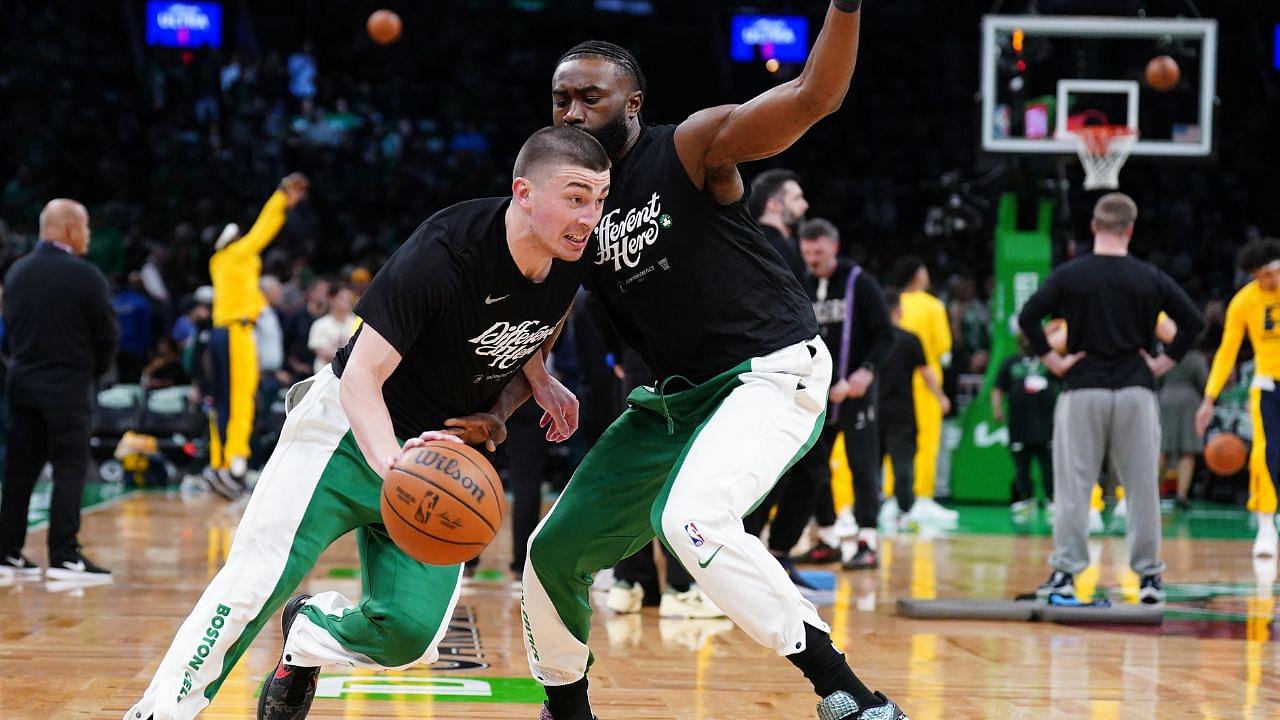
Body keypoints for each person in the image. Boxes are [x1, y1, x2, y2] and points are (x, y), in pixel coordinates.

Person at [122, 126, 611, 720]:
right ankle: (159, 711)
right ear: (524, 193)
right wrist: (396, 467)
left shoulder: (570, 258)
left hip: (443, 454)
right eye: (577, 197)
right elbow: (361, 378)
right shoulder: (445, 250)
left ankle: (307, 635)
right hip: (349, 433)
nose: (590, 216)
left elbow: (534, 321)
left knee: (410, 636)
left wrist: (537, 379)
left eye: (601, 200)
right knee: (255, 581)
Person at [520, 5, 909, 719]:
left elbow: (812, 97)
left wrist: (847, 7)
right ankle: (566, 710)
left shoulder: (691, 147)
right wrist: (529, 380)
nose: (572, 111)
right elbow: (542, 303)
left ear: (632, 103)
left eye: (590, 97)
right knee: (552, 551)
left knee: (692, 521)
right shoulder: (571, 204)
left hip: (771, 368)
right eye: (561, 98)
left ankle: (849, 695)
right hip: (677, 399)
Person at [1018, 193, 1204, 606]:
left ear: (1094, 228)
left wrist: (1054, 360)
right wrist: (1160, 364)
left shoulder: (1071, 275)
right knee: (1141, 488)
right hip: (1136, 391)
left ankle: (1066, 573)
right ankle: (1150, 579)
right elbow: (1193, 322)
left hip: (1083, 389)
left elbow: (1028, 317)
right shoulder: (1149, 276)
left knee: (1074, 488)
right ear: (1130, 229)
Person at [751, 218, 894, 573]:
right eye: (807, 251)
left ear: (834, 246)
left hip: (855, 390)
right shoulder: (803, 283)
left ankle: (867, 540)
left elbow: (885, 335)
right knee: (812, 468)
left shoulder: (860, 283)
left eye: (818, 251)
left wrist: (867, 371)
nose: (812, 257)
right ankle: (827, 536)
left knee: (862, 465)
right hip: (817, 394)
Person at [0, 199, 119, 580]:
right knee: (70, 469)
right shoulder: (85, 276)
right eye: (85, 228)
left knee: (19, 471)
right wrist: (92, 372)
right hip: (68, 386)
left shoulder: (15, 273)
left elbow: (10, 333)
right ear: (69, 228)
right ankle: (65, 555)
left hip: (21, 384)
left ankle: (8, 552)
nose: (88, 235)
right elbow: (107, 336)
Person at [206, 173, 309, 498]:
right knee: (240, 400)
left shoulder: (224, 263)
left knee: (225, 401)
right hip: (237, 332)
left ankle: (223, 464)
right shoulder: (235, 256)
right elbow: (262, 231)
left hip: (225, 331)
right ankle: (232, 466)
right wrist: (281, 198)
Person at [1196, 237, 1280, 557]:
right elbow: (1227, 351)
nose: (1269, 280)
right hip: (1267, 387)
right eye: (1261, 275)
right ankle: (1266, 526)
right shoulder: (1244, 302)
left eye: (1273, 273)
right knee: (1263, 454)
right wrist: (1209, 398)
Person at [861, 289, 950, 567]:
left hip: (873, 411)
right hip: (902, 413)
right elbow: (927, 373)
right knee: (902, 465)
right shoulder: (911, 339)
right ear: (899, 310)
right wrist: (941, 397)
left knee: (870, 465)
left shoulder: (871, 340)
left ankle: (866, 516)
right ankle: (903, 512)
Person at [890, 255, 957, 526]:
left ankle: (893, 499)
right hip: (927, 382)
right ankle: (924, 498)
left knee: (896, 445)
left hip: (896, 383)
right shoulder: (933, 306)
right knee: (927, 442)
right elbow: (942, 347)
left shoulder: (894, 302)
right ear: (918, 274)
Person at [992, 333, 1058, 520]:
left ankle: (1051, 498)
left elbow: (1062, 382)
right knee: (1021, 465)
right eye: (1025, 339)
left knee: (1048, 464)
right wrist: (997, 408)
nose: (1029, 342)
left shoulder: (1047, 361)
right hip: (1019, 423)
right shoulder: (1011, 362)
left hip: (1045, 424)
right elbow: (998, 387)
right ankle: (1024, 499)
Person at [749, 168, 809, 282]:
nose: (805, 205)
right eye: (797, 198)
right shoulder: (772, 249)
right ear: (774, 205)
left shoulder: (753, 240)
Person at [306, 282, 358, 373]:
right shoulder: (320, 324)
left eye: (349, 298)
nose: (347, 301)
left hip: (351, 374)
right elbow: (321, 352)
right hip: (325, 375)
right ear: (332, 299)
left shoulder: (357, 323)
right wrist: (349, 355)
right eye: (342, 298)